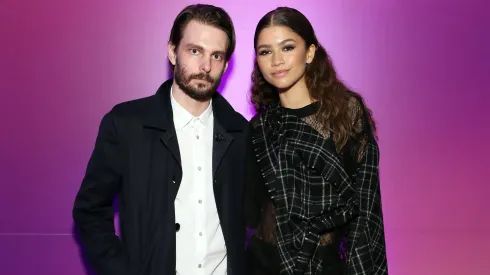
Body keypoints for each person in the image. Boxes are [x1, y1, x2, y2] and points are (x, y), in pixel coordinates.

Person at [73, 4, 249, 275]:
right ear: (172, 52)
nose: (205, 66)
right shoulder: (126, 124)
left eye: (216, 55)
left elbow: (254, 221)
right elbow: (90, 210)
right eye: (195, 51)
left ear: (226, 64)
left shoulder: (241, 133)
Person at [244, 7, 388, 275]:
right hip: (265, 263)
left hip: (327, 264)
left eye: (287, 47)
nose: (276, 60)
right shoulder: (258, 130)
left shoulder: (347, 112)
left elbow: (367, 206)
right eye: (265, 51)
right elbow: (250, 213)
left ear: (309, 52)